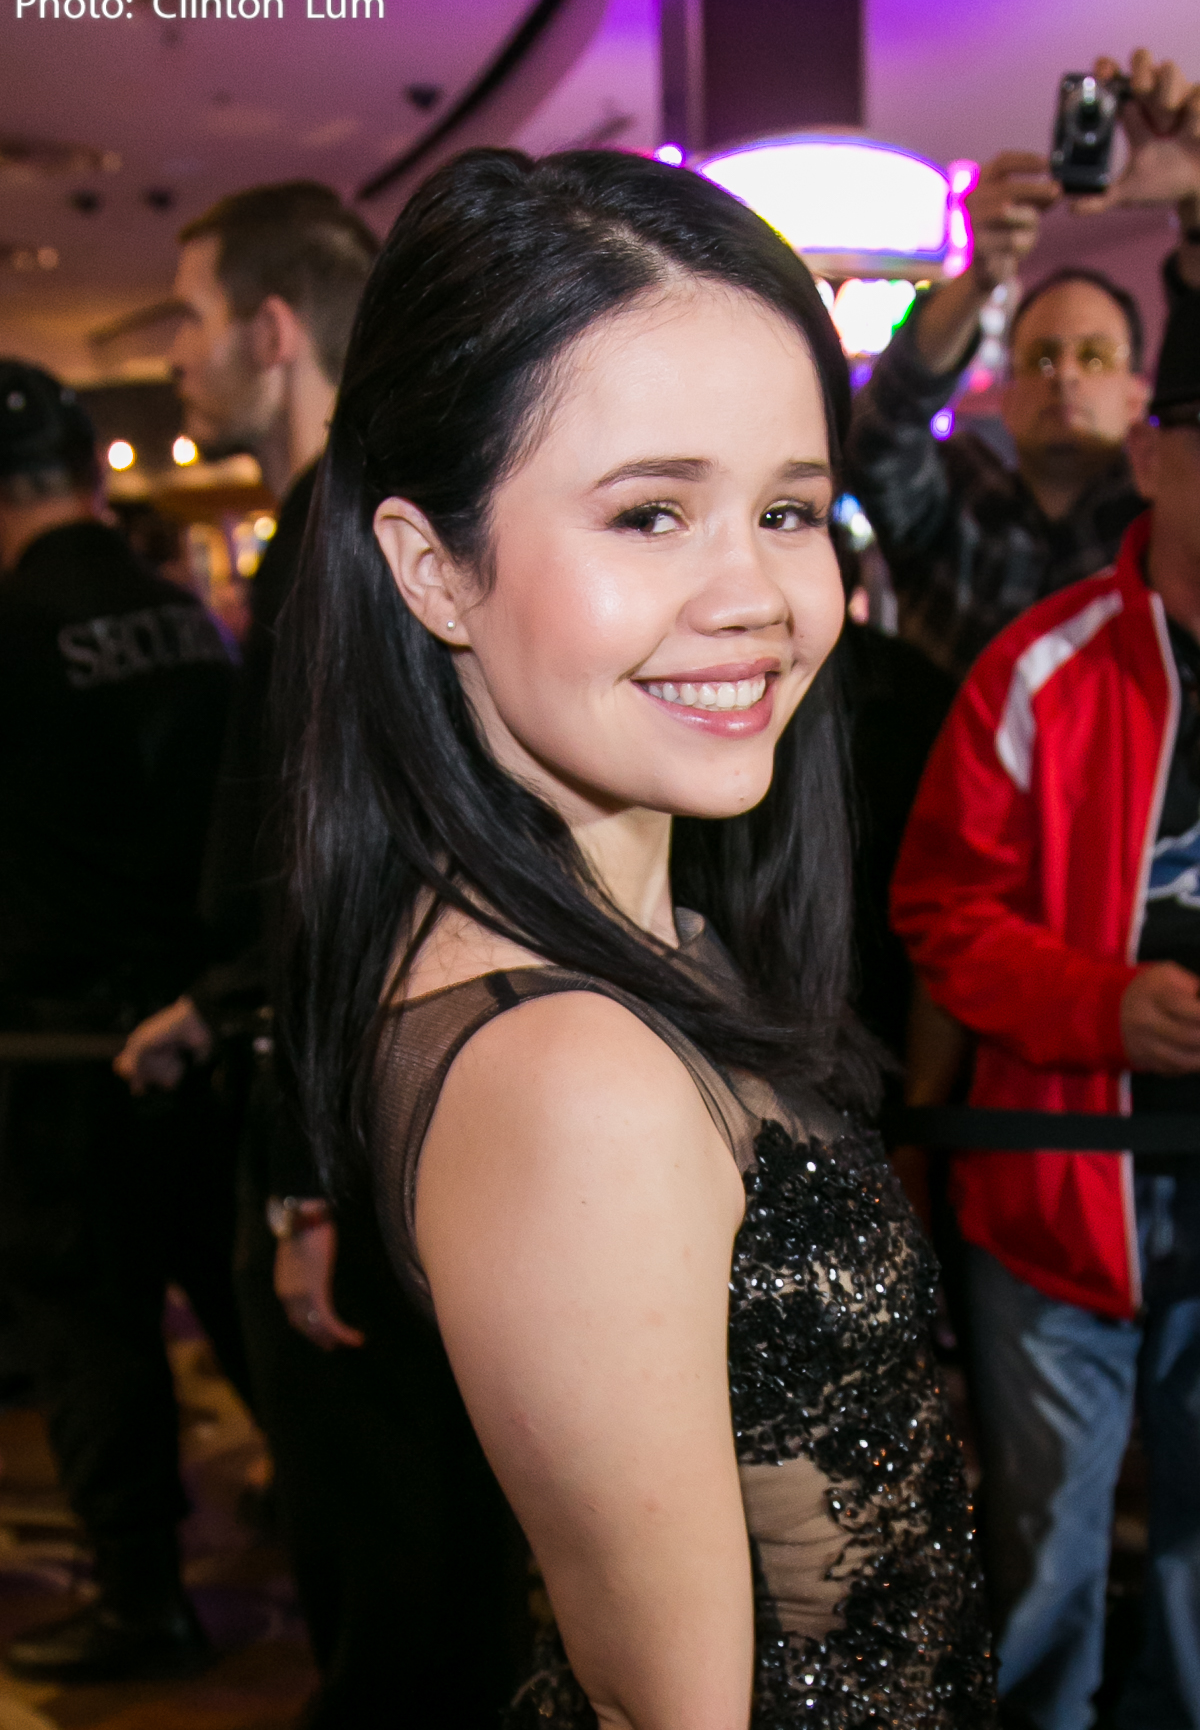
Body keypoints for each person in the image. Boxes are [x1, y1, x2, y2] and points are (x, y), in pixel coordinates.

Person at [276, 145, 996, 1729]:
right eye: (652, 513)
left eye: (791, 509)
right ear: (432, 569)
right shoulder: (571, 1075)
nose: (758, 595)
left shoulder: (648, 936)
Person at [116, 182, 525, 1728]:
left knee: (399, 1573)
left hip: (358, 1119)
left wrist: (302, 1183)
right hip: (391, 1094)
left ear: (274, 331)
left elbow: (338, 872)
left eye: (195, 318)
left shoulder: (344, 530)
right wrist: (214, 1002)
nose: (178, 356)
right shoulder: (376, 517)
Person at [891, 263, 1200, 1727]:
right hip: (1055, 1199)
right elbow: (941, 910)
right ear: (1156, 455)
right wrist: (1102, 1006)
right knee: (1043, 1577)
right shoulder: (1040, 665)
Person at [0, 361, 243, 1681]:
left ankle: (143, 1597)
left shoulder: (10, 629)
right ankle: (339, 1535)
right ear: (91, 469)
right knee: (237, 1300)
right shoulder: (179, 611)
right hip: (203, 1023)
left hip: (65, 1046)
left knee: (91, 1330)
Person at [844, 48, 1200, 684]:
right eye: (1040, 358)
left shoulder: (1170, 516)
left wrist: (1197, 217)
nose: (1065, 375)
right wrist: (977, 276)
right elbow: (877, 438)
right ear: (1007, 398)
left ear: (1136, 396)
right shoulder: (956, 504)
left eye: (1094, 356)